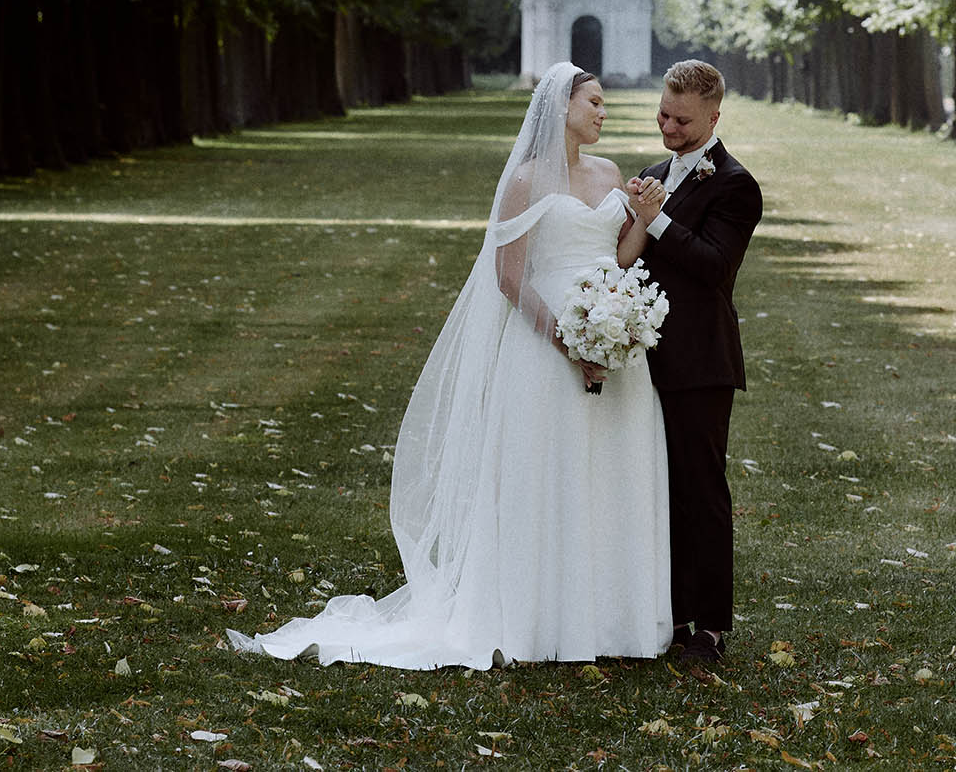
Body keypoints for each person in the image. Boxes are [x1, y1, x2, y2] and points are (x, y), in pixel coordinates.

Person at [228, 63, 671, 669]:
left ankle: (603, 622)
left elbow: (616, 255)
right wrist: (571, 344)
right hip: (546, 349)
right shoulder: (524, 181)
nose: (602, 112)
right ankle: (538, 621)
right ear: (560, 106)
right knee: (546, 473)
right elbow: (510, 277)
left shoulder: (609, 174)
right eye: (593, 102)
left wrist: (631, 268)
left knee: (605, 473)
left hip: (611, 341)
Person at [626, 60, 762, 664]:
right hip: (640, 356)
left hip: (700, 360)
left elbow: (715, 266)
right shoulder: (653, 175)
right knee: (652, 487)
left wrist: (657, 220)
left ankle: (708, 626)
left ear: (713, 116)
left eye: (682, 120)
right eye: (662, 115)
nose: (669, 128)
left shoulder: (736, 185)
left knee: (700, 491)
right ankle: (664, 614)